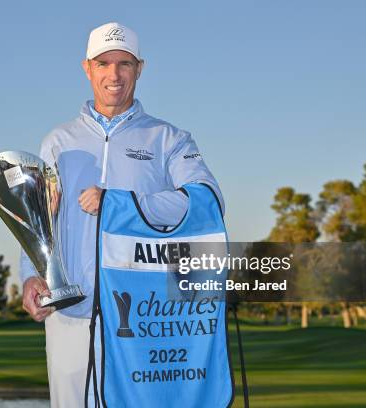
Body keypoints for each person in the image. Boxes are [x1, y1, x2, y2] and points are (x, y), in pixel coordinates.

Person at [19, 22, 224, 407]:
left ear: (139, 69)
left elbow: (207, 199)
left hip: (141, 319)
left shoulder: (169, 139)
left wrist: (121, 203)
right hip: (70, 313)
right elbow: (37, 221)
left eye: (124, 64)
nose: (114, 75)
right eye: (103, 63)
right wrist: (30, 275)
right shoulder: (57, 142)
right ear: (87, 68)